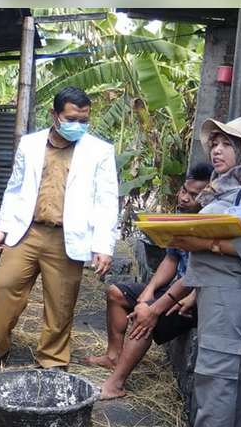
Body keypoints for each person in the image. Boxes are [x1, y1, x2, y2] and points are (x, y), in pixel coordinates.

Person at [128, 117, 241, 427]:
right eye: (215, 144)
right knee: (225, 377)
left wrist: (206, 244)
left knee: (215, 375)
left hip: (232, 297)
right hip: (221, 293)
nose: (216, 150)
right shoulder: (227, 190)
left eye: (227, 144)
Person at [0, 86, 119, 369]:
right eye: (71, 119)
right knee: (4, 285)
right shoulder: (30, 144)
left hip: (67, 237)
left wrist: (103, 246)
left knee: (61, 301)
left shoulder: (99, 151)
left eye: (84, 120)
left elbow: (107, 200)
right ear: (54, 114)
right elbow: (15, 188)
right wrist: (2, 226)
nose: (78, 125)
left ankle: (52, 360)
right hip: (27, 231)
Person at [86, 163, 214, 399]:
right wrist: (150, 290)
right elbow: (171, 259)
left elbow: (197, 275)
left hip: (197, 298)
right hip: (177, 288)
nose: (184, 198)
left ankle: (115, 385)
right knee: (116, 293)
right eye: (184, 190)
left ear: (208, 197)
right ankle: (113, 356)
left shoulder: (210, 224)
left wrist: (155, 305)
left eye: (194, 195)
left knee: (145, 315)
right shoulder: (181, 216)